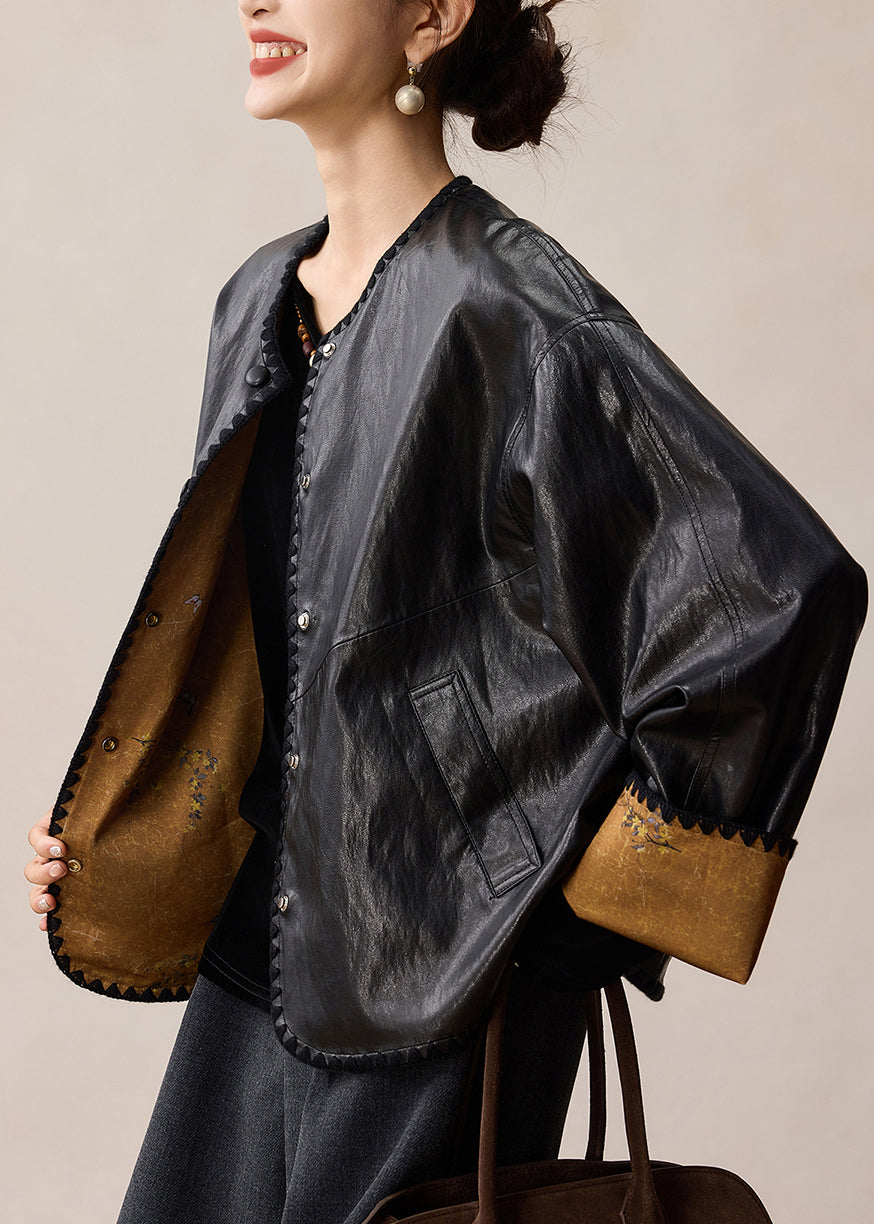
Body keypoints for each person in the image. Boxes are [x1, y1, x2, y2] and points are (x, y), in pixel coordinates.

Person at [24, 1, 867, 1222]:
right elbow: (271, 653)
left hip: (446, 982)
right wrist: (141, 822)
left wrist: (575, 898)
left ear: (429, 16)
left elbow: (775, 591)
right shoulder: (256, 301)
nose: (255, 1)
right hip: (261, 953)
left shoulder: (511, 306)